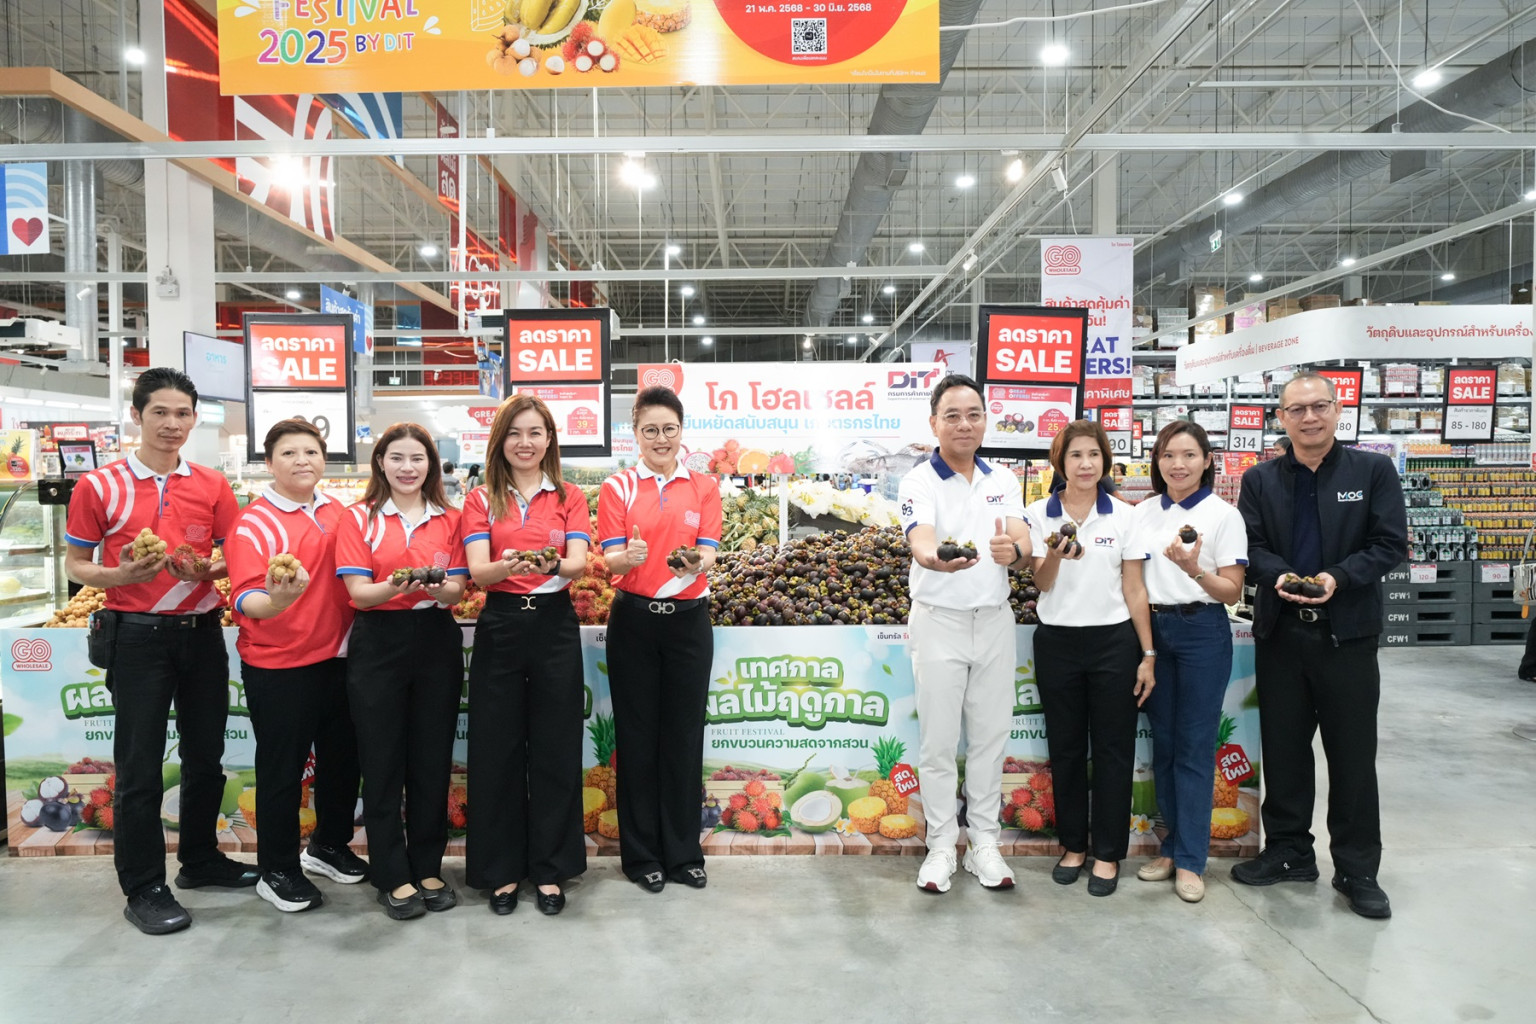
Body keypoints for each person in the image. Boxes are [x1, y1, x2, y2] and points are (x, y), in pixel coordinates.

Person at [63, 367, 250, 935]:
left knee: (206, 755)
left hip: (202, 633)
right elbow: (76, 564)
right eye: (160, 412)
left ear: (195, 418)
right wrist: (118, 574)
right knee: (140, 767)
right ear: (137, 416)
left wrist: (206, 569)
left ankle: (200, 859)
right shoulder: (99, 485)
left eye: (182, 413)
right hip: (136, 636)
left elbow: (234, 555)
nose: (172, 424)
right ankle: (143, 885)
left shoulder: (212, 484)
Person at [1232, 372, 1407, 919]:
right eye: (1297, 409)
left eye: (1319, 406)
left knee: (1352, 755)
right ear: (1281, 418)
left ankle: (1357, 869)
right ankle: (1289, 851)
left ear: (1337, 410)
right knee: (1284, 750)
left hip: (1347, 634)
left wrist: (1338, 577)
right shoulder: (1260, 479)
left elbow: (1389, 543)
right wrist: (1281, 576)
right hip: (1281, 633)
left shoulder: (1372, 471)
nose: (1309, 417)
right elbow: (1250, 546)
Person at [226, 419, 369, 913]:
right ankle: (278, 869)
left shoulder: (339, 513)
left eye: (311, 451)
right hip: (280, 665)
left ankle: (328, 845)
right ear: (269, 463)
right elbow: (245, 597)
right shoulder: (254, 523)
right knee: (283, 771)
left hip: (341, 657)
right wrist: (278, 602)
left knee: (342, 762)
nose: (302, 460)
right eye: (289, 453)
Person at [897, 374, 1031, 893]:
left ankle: (984, 845)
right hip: (939, 620)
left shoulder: (1003, 479)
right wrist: (937, 559)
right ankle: (940, 847)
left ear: (985, 420)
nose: (964, 424)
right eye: (952, 415)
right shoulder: (918, 481)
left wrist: (1013, 552)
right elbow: (922, 539)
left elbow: (1020, 538)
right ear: (934, 423)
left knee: (990, 739)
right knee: (938, 742)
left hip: (994, 620)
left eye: (973, 414)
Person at [462, 396, 592, 916]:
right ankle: (501, 870)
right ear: (500, 441)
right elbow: (478, 571)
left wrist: (549, 564)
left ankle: (551, 869)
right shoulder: (481, 498)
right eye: (515, 433)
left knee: (556, 747)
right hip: (501, 623)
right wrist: (508, 565)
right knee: (497, 748)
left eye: (535, 432)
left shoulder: (569, 495)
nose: (525, 442)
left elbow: (578, 563)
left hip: (555, 624)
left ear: (549, 440)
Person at [335, 423, 469, 919]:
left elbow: (457, 590)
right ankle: (392, 872)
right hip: (378, 642)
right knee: (382, 759)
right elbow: (359, 594)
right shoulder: (359, 518)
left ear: (431, 464)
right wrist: (402, 584)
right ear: (380, 463)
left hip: (435, 639)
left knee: (432, 757)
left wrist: (434, 588)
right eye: (397, 458)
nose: (407, 468)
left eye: (417, 458)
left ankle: (428, 865)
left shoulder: (450, 519)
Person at [597, 386, 721, 894]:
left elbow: (710, 550)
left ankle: (684, 853)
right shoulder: (618, 487)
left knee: (684, 738)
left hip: (689, 624)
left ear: (681, 431)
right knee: (638, 739)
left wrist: (695, 563)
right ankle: (641, 855)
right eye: (650, 429)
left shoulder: (704, 486)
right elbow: (608, 558)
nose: (661, 438)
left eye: (669, 428)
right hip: (634, 623)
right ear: (636, 433)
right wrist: (627, 557)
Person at [1026, 419, 1155, 897]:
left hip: (1113, 644)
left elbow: (1134, 588)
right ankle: (1073, 846)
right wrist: (1056, 555)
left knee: (1113, 750)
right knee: (1065, 749)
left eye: (1094, 454)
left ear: (1106, 461)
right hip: (1057, 643)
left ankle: (1108, 853)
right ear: (1060, 462)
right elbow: (1041, 583)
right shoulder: (1037, 514)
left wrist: (1147, 653)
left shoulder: (1124, 515)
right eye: (1076, 455)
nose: (1085, 464)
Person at [1130, 422, 1248, 903]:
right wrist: (1147, 649)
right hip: (1154, 632)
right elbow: (1133, 583)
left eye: (1189, 455)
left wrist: (1193, 568)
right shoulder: (1142, 513)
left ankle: (1191, 860)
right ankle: (1172, 846)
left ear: (1206, 461)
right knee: (1165, 745)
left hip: (1203, 631)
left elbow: (1231, 591)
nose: (1177, 465)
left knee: (1195, 747)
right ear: (1157, 461)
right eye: (1168, 455)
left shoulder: (1224, 516)